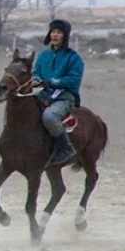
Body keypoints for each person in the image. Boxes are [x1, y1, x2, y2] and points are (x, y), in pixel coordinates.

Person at [33, 18, 84, 166]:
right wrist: (36, 79)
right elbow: (36, 72)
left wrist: (53, 82)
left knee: (49, 116)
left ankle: (66, 148)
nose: (55, 35)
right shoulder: (43, 56)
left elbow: (74, 80)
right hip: (44, 94)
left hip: (64, 97)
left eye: (59, 32)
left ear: (65, 36)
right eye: (53, 31)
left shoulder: (74, 58)